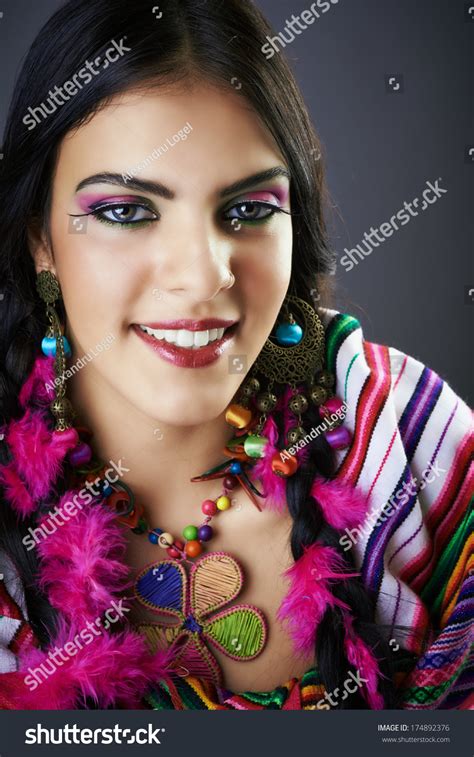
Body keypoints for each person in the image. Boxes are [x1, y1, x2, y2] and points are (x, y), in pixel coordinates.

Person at [0, 0, 472, 711]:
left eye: (249, 210)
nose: (201, 276)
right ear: (41, 238)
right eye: (127, 211)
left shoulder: (411, 443)